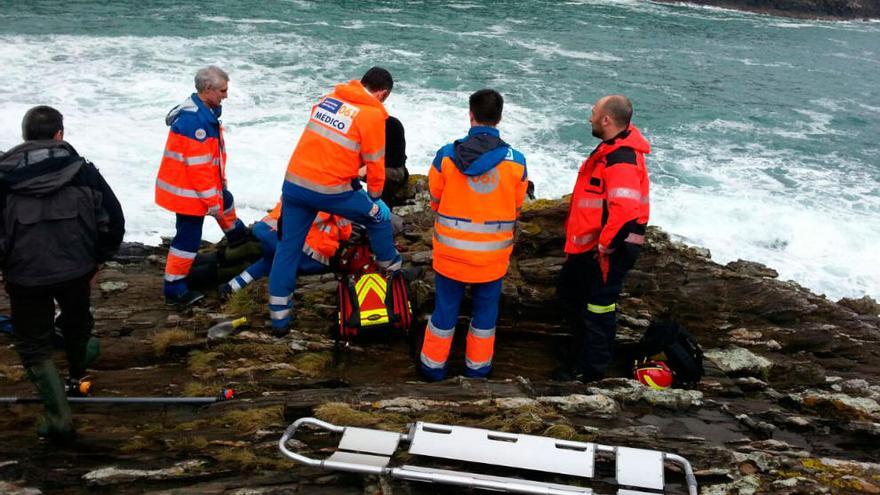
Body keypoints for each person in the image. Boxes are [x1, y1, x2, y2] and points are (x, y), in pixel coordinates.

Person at [0, 106, 125, 441]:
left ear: (25, 136)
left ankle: (57, 416)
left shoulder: (5, 177)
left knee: (34, 346)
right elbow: (114, 220)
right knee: (76, 323)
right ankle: (78, 368)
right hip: (76, 270)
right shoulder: (83, 172)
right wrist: (99, 260)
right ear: (59, 135)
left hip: (25, 276)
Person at [267, 67, 402, 336]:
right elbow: (375, 163)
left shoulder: (330, 100)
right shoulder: (373, 114)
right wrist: (375, 199)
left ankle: (279, 319)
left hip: (294, 184)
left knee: (288, 248)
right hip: (329, 189)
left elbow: (330, 151)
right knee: (378, 217)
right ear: (383, 93)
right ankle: (393, 269)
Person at [418, 89, 528, 381]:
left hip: (451, 255)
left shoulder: (446, 155)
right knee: (484, 317)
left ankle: (432, 368)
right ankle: (477, 371)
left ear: (471, 115)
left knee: (444, 313)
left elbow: (435, 197)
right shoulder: (516, 162)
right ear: (500, 117)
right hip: (492, 258)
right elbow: (516, 207)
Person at [554, 94, 651, 382]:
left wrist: (605, 246)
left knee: (598, 310)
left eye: (594, 112)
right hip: (591, 249)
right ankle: (578, 360)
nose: (590, 117)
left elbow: (624, 210)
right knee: (572, 297)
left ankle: (590, 373)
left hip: (608, 252)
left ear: (606, 119)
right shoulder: (612, 149)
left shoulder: (621, 158)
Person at [155, 65, 248, 306]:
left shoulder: (203, 112)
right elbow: (199, 168)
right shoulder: (195, 121)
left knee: (225, 201)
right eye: (223, 90)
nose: (226, 95)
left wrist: (219, 191)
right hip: (188, 193)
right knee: (187, 240)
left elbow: (209, 162)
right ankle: (174, 289)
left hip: (192, 188)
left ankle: (238, 237)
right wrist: (211, 201)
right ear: (208, 89)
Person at [219, 202, 351, 297]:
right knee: (280, 265)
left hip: (268, 233)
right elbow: (346, 232)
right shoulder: (337, 193)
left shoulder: (301, 178)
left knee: (268, 262)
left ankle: (231, 287)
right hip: (307, 252)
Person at [382, 115, 409, 207]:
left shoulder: (390, 125)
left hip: (393, 170)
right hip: (392, 168)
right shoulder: (393, 122)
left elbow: (394, 160)